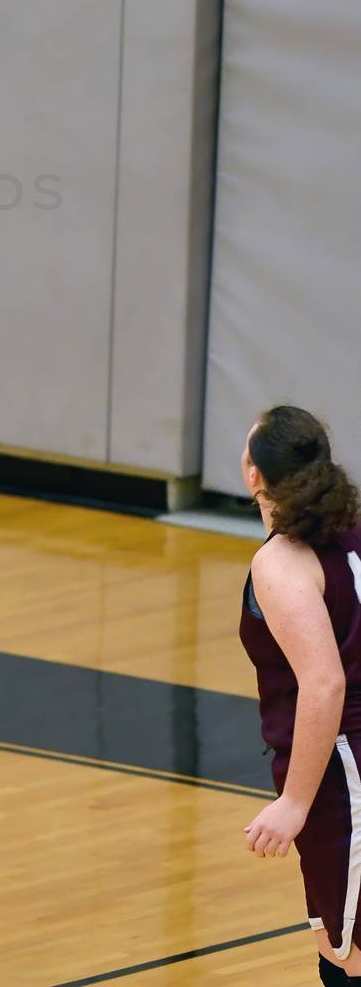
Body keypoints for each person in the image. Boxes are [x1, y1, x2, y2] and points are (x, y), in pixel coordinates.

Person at [239, 406, 361, 983]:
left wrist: (294, 803)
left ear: (254, 475)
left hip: (344, 768)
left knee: (346, 953)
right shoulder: (354, 534)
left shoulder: (282, 564)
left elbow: (325, 682)